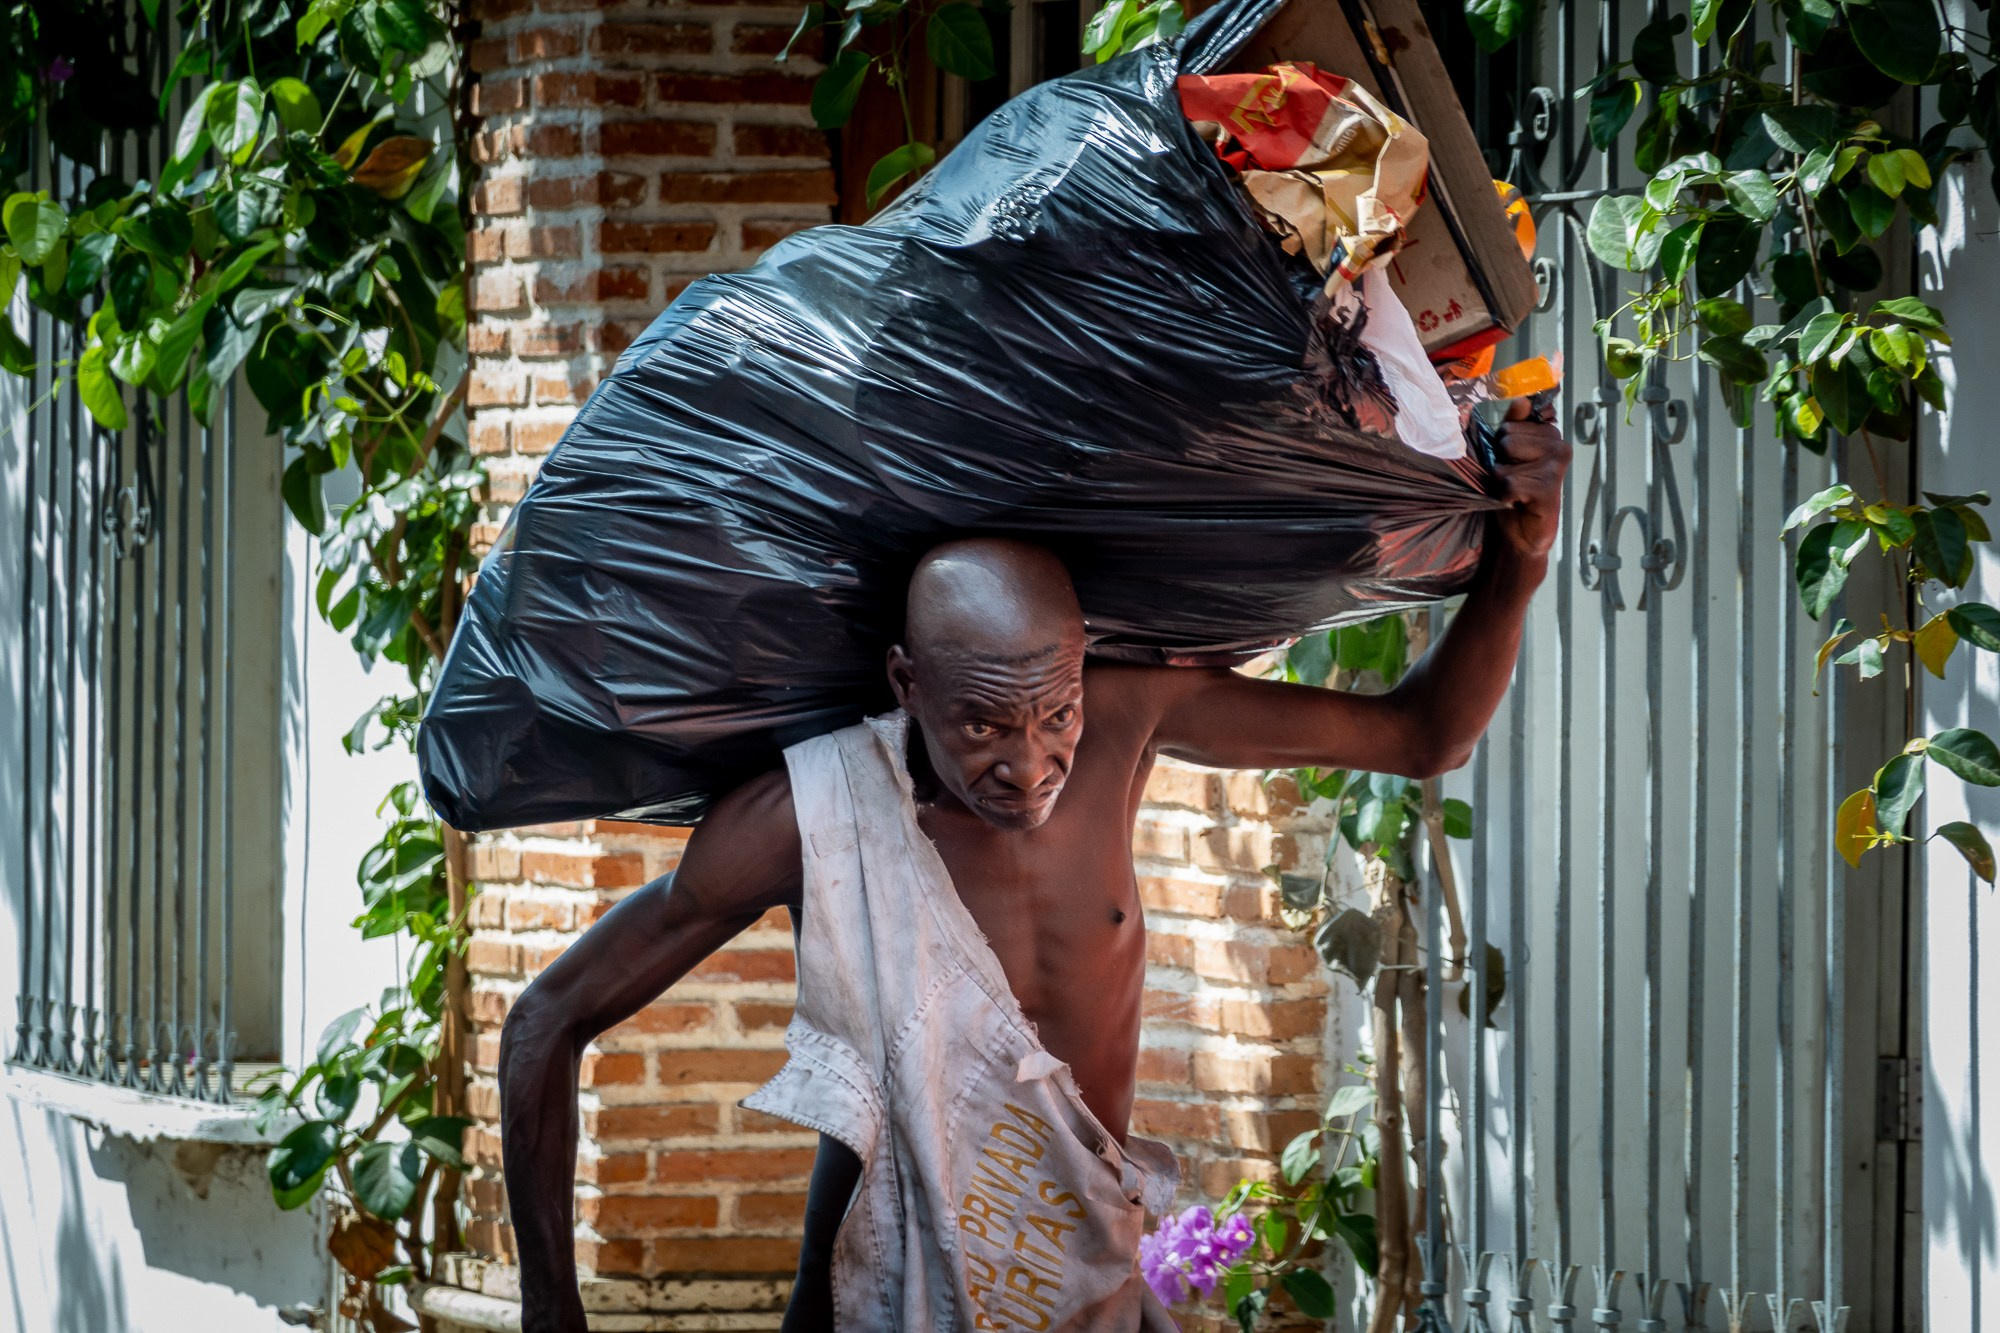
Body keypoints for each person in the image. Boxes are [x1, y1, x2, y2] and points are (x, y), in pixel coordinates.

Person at [500, 406, 1569, 1333]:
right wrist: (552, 1307)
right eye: (979, 725)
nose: (1026, 766)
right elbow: (545, 1019)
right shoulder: (812, 814)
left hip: (1081, 1279)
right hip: (877, 1291)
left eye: (1051, 713)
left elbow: (1424, 734)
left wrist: (1519, 559)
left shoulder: (1125, 719)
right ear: (905, 682)